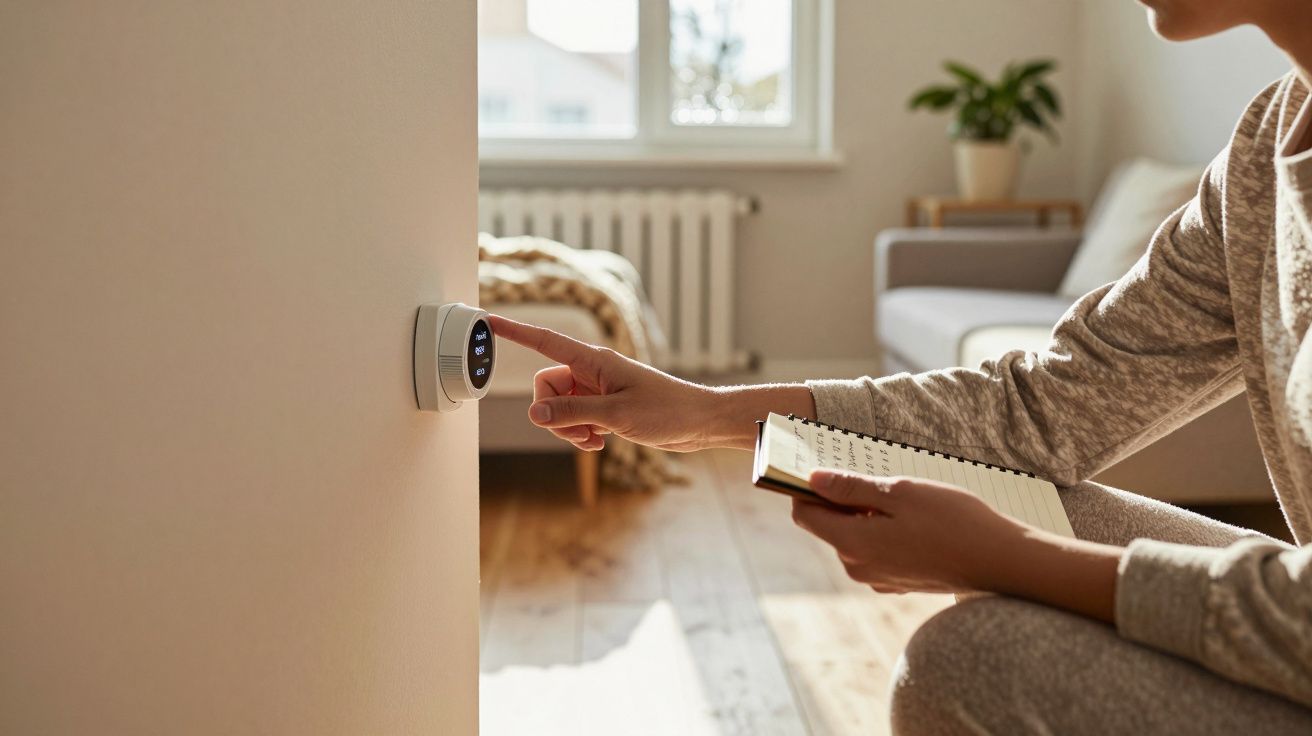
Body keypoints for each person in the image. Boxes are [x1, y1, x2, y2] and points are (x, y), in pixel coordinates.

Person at [489, 0, 1312, 731]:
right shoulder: (1262, 155)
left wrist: (1005, 557)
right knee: (1047, 509)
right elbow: (1041, 410)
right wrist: (704, 414)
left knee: (967, 662)